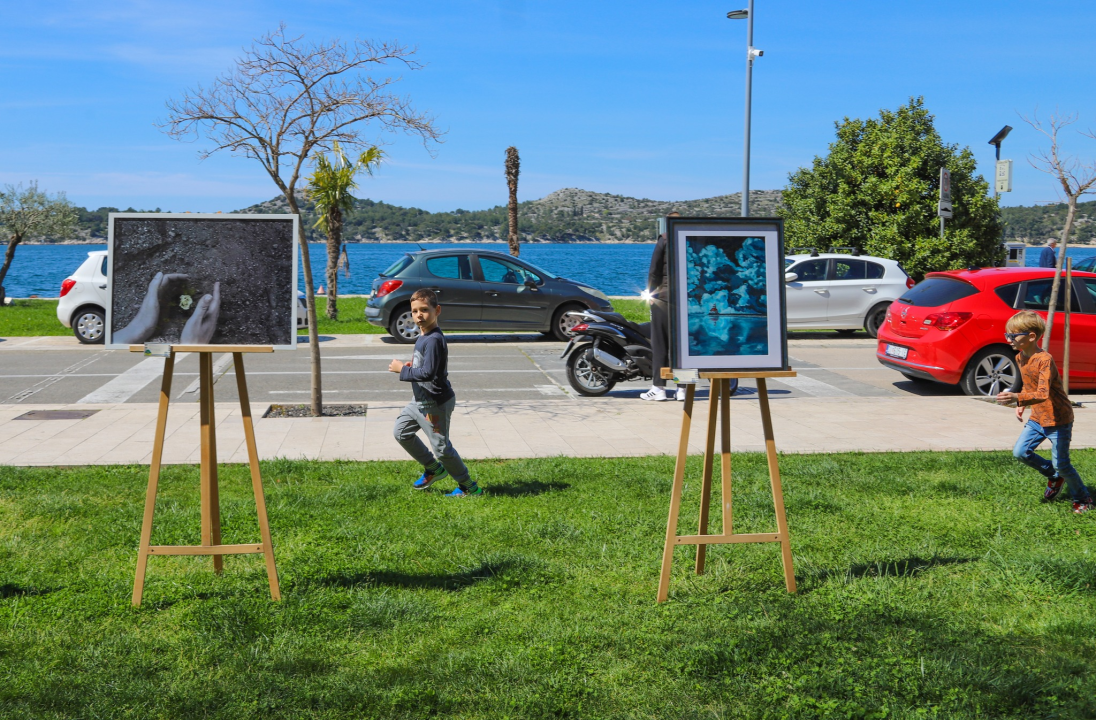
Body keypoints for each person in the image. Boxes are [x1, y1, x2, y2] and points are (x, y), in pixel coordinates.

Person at [996, 310, 1093, 513]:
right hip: (1038, 417)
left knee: (1062, 464)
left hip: (1059, 418)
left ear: (1031, 336)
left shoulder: (1044, 360)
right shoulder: (1020, 357)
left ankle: (1083, 499)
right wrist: (1022, 402)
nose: (1008, 339)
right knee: (1021, 452)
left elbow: (1042, 393)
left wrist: (1016, 397)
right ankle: (1055, 477)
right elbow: (1028, 384)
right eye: (1007, 335)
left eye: (1013, 336)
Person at [388, 288, 481, 497]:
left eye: (424, 310)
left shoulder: (434, 339)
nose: (419, 315)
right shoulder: (424, 336)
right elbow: (427, 366)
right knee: (401, 432)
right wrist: (413, 366)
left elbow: (428, 373)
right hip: (419, 401)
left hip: (434, 403)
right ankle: (433, 468)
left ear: (437, 310)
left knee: (442, 448)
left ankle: (469, 487)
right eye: (414, 311)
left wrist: (402, 370)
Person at [640, 213, 679, 401]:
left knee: (660, 344)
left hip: (663, 299)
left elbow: (654, 270)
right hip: (685, 302)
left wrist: (650, 293)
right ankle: (683, 388)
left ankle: (659, 387)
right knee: (682, 347)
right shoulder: (691, 241)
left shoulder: (663, 239)